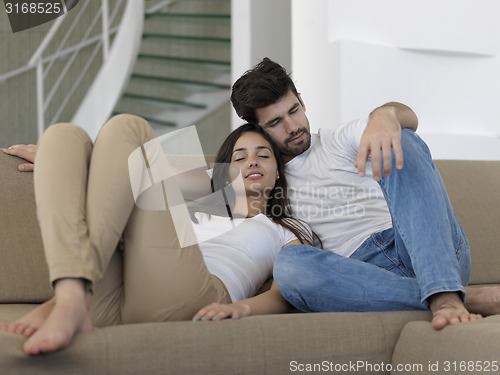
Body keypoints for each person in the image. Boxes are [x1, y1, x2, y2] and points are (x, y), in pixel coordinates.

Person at [219, 57, 500, 330]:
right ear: (259, 130)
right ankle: (455, 296)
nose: (292, 127)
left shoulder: (337, 141)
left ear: (302, 100)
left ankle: (444, 288)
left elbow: (407, 118)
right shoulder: (261, 181)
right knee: (290, 266)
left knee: (399, 137)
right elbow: (206, 198)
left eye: (293, 110)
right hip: (361, 276)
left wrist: (385, 115)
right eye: (275, 122)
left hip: (422, 247)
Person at [0, 116, 312, 355]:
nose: (252, 161)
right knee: (62, 137)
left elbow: (287, 288)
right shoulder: (197, 198)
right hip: (115, 295)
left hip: (191, 297)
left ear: (278, 171)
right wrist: (62, 163)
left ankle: (67, 298)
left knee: (128, 127)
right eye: (240, 157)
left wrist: (242, 308)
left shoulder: (283, 230)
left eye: (263, 155)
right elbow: (130, 169)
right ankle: (73, 294)